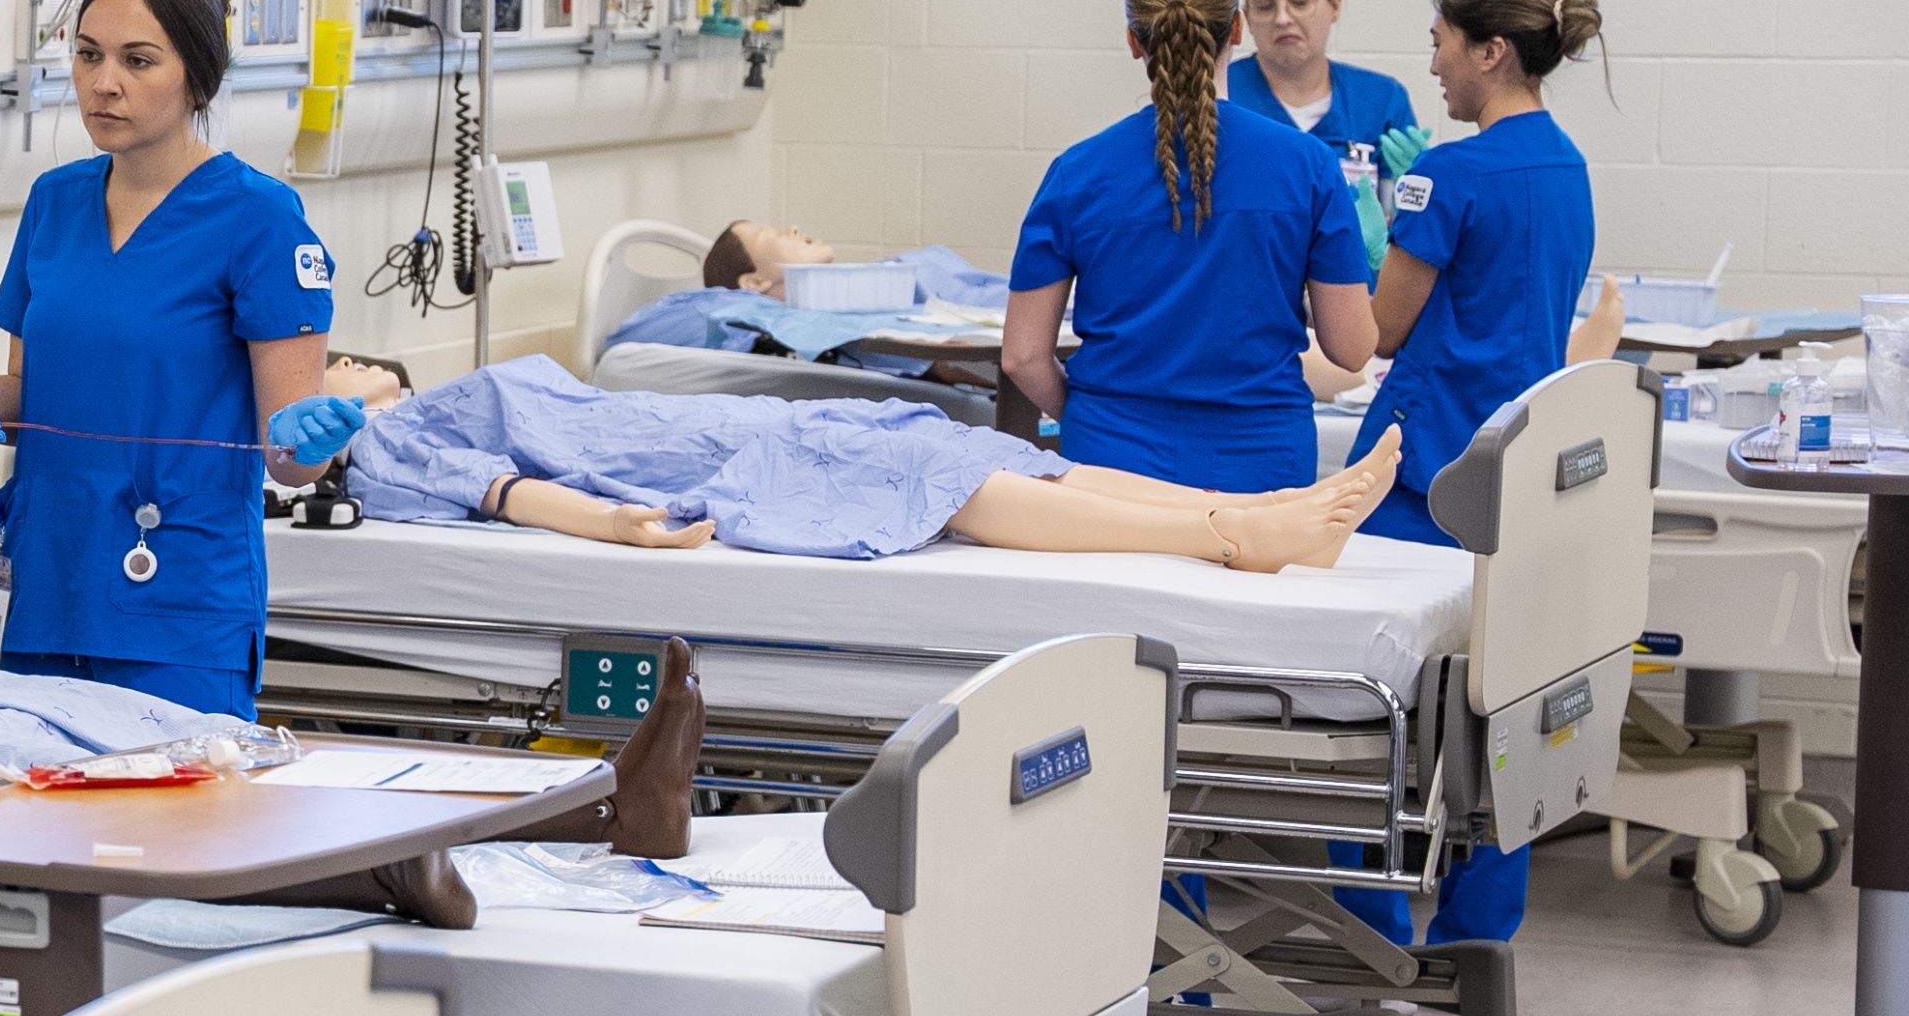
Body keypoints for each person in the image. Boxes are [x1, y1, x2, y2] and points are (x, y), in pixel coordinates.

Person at [0, 0, 348, 720]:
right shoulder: (54, 204)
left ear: (197, 77)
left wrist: (308, 438)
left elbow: (291, 462)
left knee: (173, 835)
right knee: (40, 835)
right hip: (46, 590)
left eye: (137, 60)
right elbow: (32, 392)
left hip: (178, 611)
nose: (102, 82)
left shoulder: (259, 221)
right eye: (88, 55)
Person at [1333, 0, 1607, 952]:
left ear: (1490, 50)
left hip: (1420, 476)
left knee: (1350, 710)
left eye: (1443, 46)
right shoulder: (1566, 167)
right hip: (1514, 480)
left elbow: (1384, 330)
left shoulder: (1444, 174)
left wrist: (1351, 241)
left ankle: (1363, 929)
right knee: (1498, 705)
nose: (1435, 68)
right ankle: (1476, 935)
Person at [333, 355, 1402, 570]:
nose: (338, 358)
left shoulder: (440, 387)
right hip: (708, 473)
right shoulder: (387, 442)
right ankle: (1225, 539)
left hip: (712, 431)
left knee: (960, 441)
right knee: (935, 482)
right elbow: (511, 495)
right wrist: (616, 525)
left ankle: (1256, 501)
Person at [1005, 0, 1380, 495]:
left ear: (1134, 41)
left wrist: (1094, 413)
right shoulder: (1308, 167)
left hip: (1111, 470)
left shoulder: (1077, 173)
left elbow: (1022, 357)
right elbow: (1351, 350)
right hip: (1262, 470)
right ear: (1236, 29)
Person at [1225, 0, 1426, 270]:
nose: (1283, 18)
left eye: (1300, 1)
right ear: (1245, 19)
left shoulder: (1381, 99)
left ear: (1334, 5)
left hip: (1358, 300)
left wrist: (1419, 192)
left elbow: (1409, 233)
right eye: (1264, 5)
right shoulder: (1222, 93)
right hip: (1251, 296)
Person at [594, 222, 1010, 373]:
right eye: (771, 235)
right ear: (753, 283)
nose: (792, 228)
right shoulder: (732, 313)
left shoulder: (862, 291)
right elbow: (625, 344)